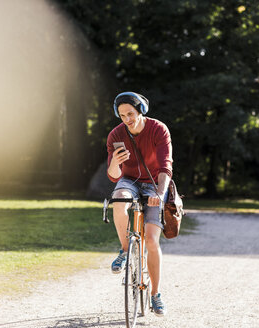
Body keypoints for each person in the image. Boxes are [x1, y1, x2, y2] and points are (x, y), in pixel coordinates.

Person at [106, 91, 173, 317]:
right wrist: (115, 162)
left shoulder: (158, 129)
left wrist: (160, 194)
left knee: (152, 241)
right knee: (119, 198)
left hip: (155, 182)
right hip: (129, 180)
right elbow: (114, 176)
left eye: (131, 114)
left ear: (141, 110)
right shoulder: (115, 134)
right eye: (122, 115)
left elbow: (165, 167)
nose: (127, 119)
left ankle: (155, 294)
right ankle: (125, 250)